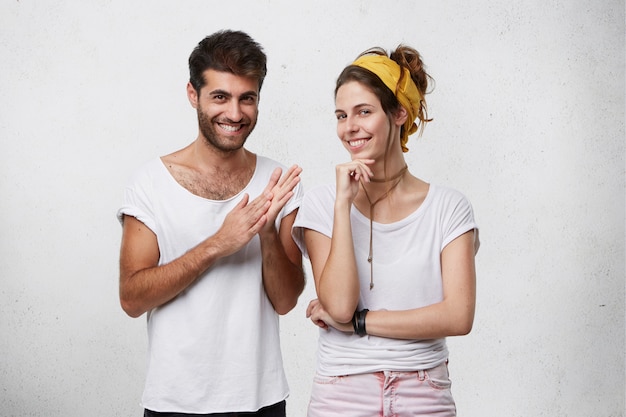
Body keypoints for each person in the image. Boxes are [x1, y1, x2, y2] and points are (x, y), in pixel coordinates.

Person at [117, 30, 305, 417]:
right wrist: (218, 244)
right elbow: (132, 298)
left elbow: (286, 301)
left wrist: (266, 231)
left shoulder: (277, 182)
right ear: (193, 94)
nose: (235, 114)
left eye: (246, 98)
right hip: (175, 403)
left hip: (261, 400)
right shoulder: (151, 182)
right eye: (220, 96)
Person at [292, 44, 479, 416]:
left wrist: (361, 323)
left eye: (364, 111)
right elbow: (340, 306)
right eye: (342, 115)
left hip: (423, 389)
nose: (350, 127)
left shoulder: (449, 208)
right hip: (341, 393)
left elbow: (458, 316)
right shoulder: (321, 204)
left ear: (398, 113)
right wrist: (343, 206)